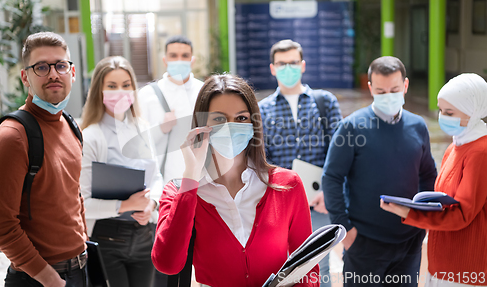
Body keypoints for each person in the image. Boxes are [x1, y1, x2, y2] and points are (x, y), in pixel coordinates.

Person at [152, 74, 320, 287]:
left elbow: (308, 268)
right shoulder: (180, 192)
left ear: (253, 124)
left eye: (241, 118)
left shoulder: (288, 184)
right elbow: (167, 264)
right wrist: (191, 176)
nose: (231, 127)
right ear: (201, 125)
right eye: (219, 119)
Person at [322, 56, 437, 287]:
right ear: (370, 88)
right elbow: (332, 177)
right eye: (381, 91)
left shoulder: (418, 126)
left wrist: (424, 220)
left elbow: (428, 175)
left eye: (394, 90)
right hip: (364, 243)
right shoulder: (352, 127)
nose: (388, 96)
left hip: (408, 243)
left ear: (405, 86)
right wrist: (346, 230)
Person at [0, 32, 87, 287]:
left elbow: (73, 196)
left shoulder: (69, 125)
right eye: (41, 67)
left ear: (72, 73)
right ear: (25, 78)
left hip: (79, 270)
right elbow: (0, 228)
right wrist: (50, 280)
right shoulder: (12, 137)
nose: (54, 74)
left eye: (61, 65)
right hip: (37, 278)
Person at [381, 73, 487, 287]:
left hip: (464, 269)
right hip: (441, 262)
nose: (443, 117)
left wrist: (410, 213)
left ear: (473, 111)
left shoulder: (480, 152)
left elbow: (462, 214)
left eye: (450, 112)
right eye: (440, 110)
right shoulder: (456, 145)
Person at [259, 39, 342, 287]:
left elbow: (338, 152)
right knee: (282, 267)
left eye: (293, 63)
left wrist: (329, 191)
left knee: (320, 266)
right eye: (282, 64)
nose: (288, 68)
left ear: (302, 65)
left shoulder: (324, 102)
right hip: (281, 204)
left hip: (319, 202)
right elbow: (260, 158)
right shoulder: (261, 109)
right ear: (272, 68)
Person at [80, 56, 163, 287]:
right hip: (107, 238)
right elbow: (82, 203)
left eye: (126, 85)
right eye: (112, 86)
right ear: (99, 90)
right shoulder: (91, 137)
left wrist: (151, 205)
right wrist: (125, 205)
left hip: (145, 233)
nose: (121, 92)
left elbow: (156, 177)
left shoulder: (142, 128)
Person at [138, 35, 204, 183]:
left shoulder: (204, 92)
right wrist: (161, 128)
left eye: (184, 56)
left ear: (192, 60)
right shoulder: (147, 94)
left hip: (200, 179)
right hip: (163, 180)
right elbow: (139, 144)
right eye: (173, 56)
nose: (179, 60)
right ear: (164, 60)